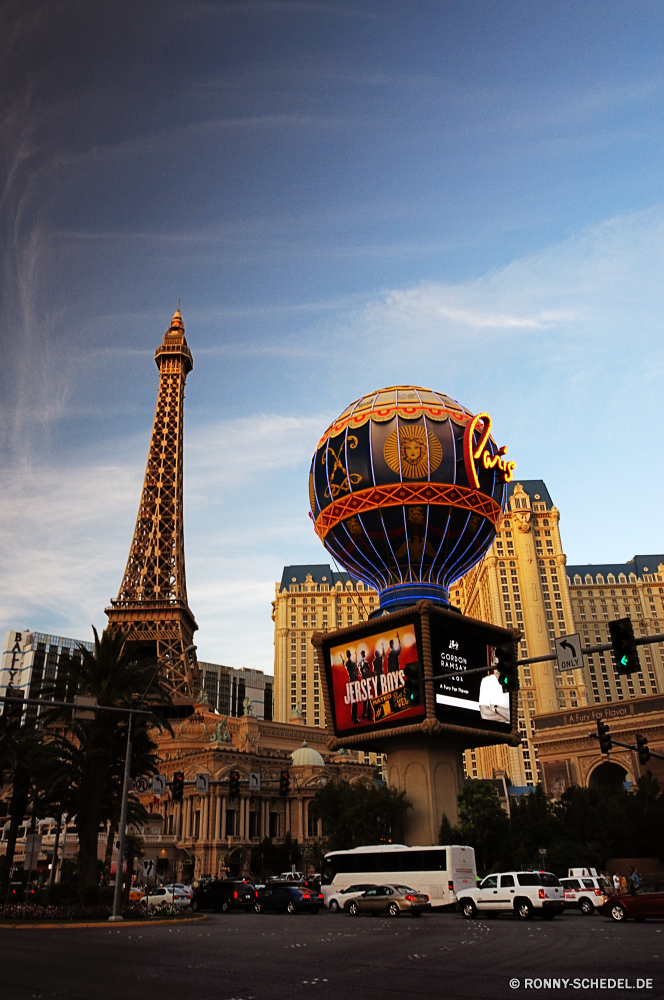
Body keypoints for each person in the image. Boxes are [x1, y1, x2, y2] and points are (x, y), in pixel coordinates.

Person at [344, 650, 360, 723]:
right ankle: (355, 718)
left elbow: (352, 665)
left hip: (351, 681)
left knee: (354, 700)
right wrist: (359, 673)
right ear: (350, 655)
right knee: (355, 700)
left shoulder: (347, 663)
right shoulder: (351, 663)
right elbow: (356, 671)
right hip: (354, 682)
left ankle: (353, 718)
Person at [359, 649, 374, 722]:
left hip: (364, 682)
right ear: (363, 655)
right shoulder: (364, 663)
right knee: (368, 698)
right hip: (365, 682)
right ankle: (369, 716)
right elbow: (365, 672)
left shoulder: (360, 663)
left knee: (365, 699)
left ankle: (364, 714)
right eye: (364, 653)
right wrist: (372, 673)